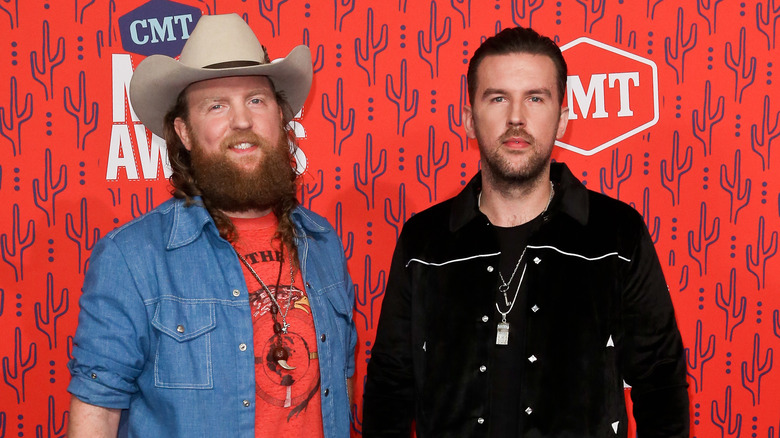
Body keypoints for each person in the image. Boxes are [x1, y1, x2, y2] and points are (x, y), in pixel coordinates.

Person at [362, 26, 689, 437]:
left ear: (563, 118)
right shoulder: (424, 241)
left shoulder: (615, 235)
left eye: (535, 98)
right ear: (468, 119)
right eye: (498, 98)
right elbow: (391, 385)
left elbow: (660, 382)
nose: (516, 117)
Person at [67, 13, 356, 438]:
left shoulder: (323, 243)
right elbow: (96, 417)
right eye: (216, 105)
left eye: (256, 100)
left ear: (281, 116)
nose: (242, 121)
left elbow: (342, 385)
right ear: (183, 131)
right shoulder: (132, 259)